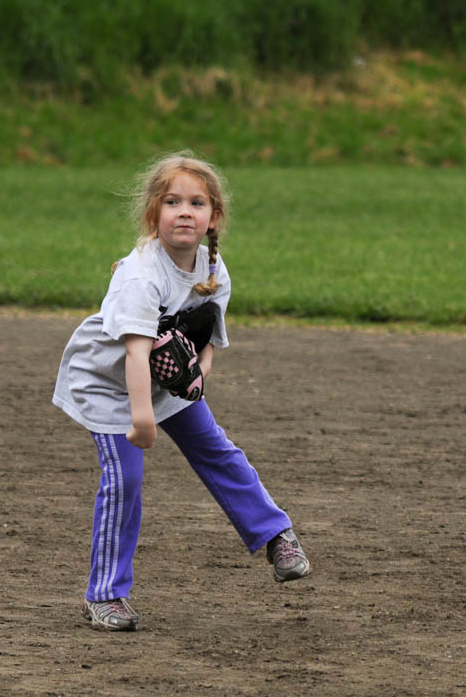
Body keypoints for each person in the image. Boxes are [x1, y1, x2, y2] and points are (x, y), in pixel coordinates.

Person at [52, 153, 310, 631]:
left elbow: (208, 334)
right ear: (155, 214)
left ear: (214, 217)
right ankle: (104, 595)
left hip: (159, 381)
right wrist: (143, 419)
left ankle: (276, 535)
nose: (185, 211)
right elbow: (134, 353)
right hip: (110, 385)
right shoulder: (141, 275)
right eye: (172, 202)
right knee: (125, 480)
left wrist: (197, 375)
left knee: (216, 448)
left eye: (196, 202)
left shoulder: (213, 267)